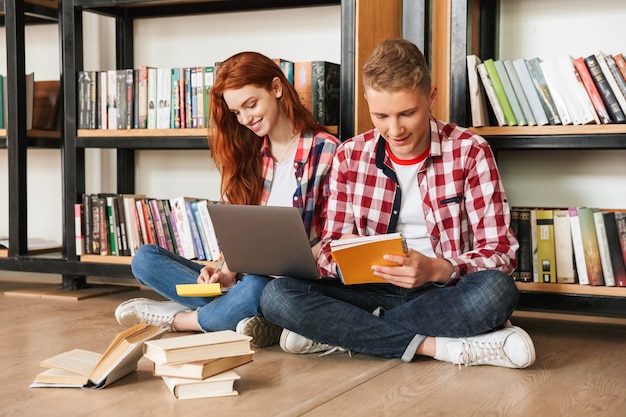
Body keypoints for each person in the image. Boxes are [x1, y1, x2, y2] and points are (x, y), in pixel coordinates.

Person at [260, 38, 536, 368]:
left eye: (408, 113)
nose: (395, 129)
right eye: (381, 115)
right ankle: (439, 347)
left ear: (431, 96)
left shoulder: (470, 150)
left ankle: (343, 334)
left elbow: (501, 252)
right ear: (367, 101)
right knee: (277, 295)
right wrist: (350, 255)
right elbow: (330, 251)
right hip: (367, 290)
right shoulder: (350, 155)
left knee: (497, 292)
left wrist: (438, 268)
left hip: (441, 291)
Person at [114, 51, 340, 348]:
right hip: (244, 279)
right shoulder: (253, 157)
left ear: (276, 88)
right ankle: (233, 316)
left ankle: (181, 320)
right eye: (237, 113)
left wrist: (284, 266)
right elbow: (243, 235)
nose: (246, 119)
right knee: (144, 259)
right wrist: (221, 272)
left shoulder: (326, 151)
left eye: (251, 105)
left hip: (288, 283)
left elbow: (334, 239)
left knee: (259, 286)